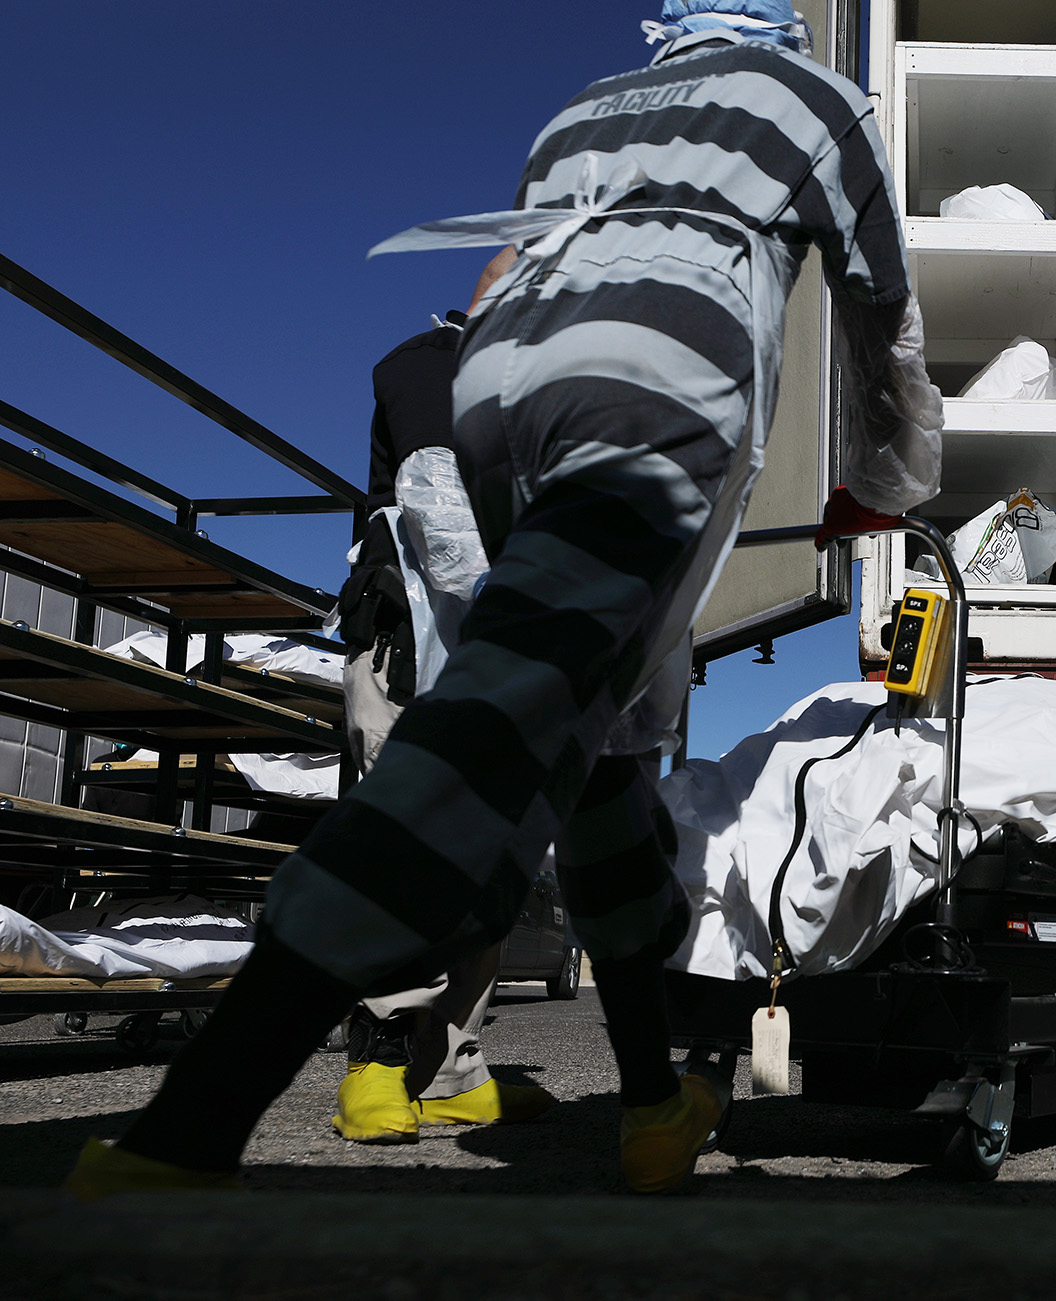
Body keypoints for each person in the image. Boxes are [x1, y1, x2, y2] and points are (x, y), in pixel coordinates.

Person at [63, 0, 941, 1198]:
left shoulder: (579, 110)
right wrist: (885, 484)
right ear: (776, 29)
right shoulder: (819, 101)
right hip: (654, 386)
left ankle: (649, 1104)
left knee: (598, 755)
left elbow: (502, 274)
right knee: (501, 713)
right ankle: (193, 1122)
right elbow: (880, 310)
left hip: (500, 385)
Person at [328, 250, 557, 1145]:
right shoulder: (432, 368)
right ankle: (377, 1063)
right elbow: (442, 516)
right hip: (416, 657)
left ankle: (453, 1069)